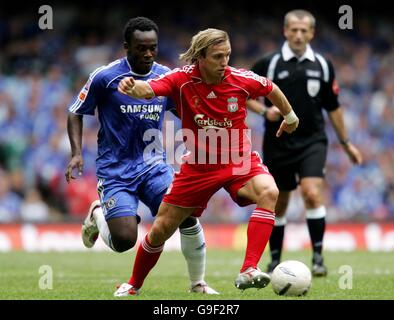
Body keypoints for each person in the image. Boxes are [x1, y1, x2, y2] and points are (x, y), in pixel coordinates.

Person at [115, 28, 299, 296]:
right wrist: (133, 87)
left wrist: (290, 116)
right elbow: (150, 89)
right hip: (199, 166)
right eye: (217, 57)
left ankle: (249, 268)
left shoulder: (240, 79)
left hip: (238, 160)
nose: (224, 62)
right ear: (200, 57)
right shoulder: (181, 80)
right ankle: (133, 284)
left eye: (227, 55)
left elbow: (271, 88)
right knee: (161, 230)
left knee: (270, 191)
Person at [65, 17, 218, 295]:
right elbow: (76, 111)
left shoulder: (166, 77)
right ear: (127, 47)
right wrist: (76, 153)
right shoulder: (105, 77)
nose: (148, 54)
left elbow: (186, 110)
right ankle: (98, 213)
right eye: (141, 48)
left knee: (186, 216)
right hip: (116, 171)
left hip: (154, 166)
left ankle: (198, 284)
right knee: (124, 240)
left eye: (153, 48)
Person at [247, 9, 363, 276]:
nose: (298, 35)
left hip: (313, 141)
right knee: (280, 202)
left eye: (304, 30)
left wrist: (346, 143)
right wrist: (265, 112)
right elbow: (244, 94)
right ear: (285, 31)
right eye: (293, 29)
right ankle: (275, 259)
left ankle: (318, 258)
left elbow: (333, 107)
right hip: (278, 141)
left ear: (312, 33)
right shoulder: (269, 63)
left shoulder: (323, 65)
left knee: (312, 193)